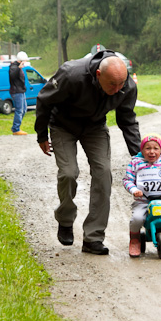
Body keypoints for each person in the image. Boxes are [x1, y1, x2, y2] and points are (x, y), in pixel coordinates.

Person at [35, 50, 140, 255]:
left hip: (95, 127)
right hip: (63, 125)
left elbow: (127, 119)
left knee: (103, 173)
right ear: (99, 75)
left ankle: (93, 237)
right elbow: (44, 99)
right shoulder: (71, 74)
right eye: (112, 85)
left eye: (121, 84)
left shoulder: (126, 86)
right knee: (68, 173)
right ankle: (65, 219)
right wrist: (41, 135)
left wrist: (138, 156)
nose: (118, 89)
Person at [10, 51, 29, 136]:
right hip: (16, 91)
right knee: (19, 110)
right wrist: (18, 68)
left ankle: (15, 126)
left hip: (21, 91)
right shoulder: (14, 67)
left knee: (24, 109)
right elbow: (12, 76)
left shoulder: (18, 67)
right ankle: (16, 129)